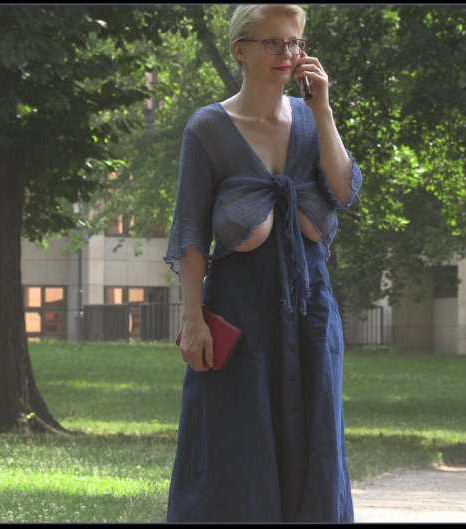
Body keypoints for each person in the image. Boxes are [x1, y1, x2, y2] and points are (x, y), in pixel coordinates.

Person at [163, 4, 362, 522]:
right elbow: (190, 234)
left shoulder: (310, 120)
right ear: (240, 51)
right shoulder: (208, 128)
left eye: (294, 42)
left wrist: (324, 111)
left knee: (317, 444)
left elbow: (343, 189)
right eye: (272, 42)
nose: (287, 53)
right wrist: (192, 320)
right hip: (239, 314)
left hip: (312, 312)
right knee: (236, 448)